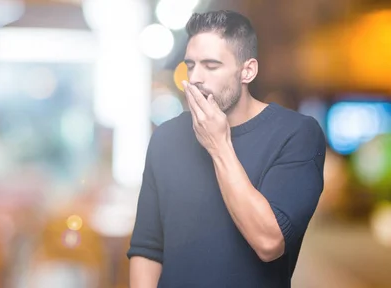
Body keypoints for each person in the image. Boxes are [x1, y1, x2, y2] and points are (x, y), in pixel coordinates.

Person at [127, 10, 326, 288]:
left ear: (248, 71)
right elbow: (147, 249)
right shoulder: (166, 137)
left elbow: (269, 242)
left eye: (211, 65)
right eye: (190, 65)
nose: (195, 77)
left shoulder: (296, 134)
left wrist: (219, 145)